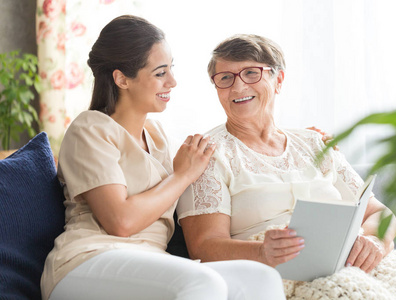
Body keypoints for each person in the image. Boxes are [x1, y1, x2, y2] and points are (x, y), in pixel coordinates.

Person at [40, 16, 286, 300]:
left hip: (151, 262)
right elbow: (120, 222)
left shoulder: (156, 136)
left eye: (171, 69)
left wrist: (298, 144)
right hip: (88, 260)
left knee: (260, 278)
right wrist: (182, 175)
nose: (173, 81)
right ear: (122, 79)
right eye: (160, 73)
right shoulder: (91, 129)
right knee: (202, 282)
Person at [177, 34, 396, 274]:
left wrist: (375, 241)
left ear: (278, 80)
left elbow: (379, 211)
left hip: (352, 266)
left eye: (252, 73)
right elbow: (203, 247)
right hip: (273, 273)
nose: (238, 87)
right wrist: (261, 252)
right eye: (226, 78)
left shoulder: (314, 142)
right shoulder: (206, 154)